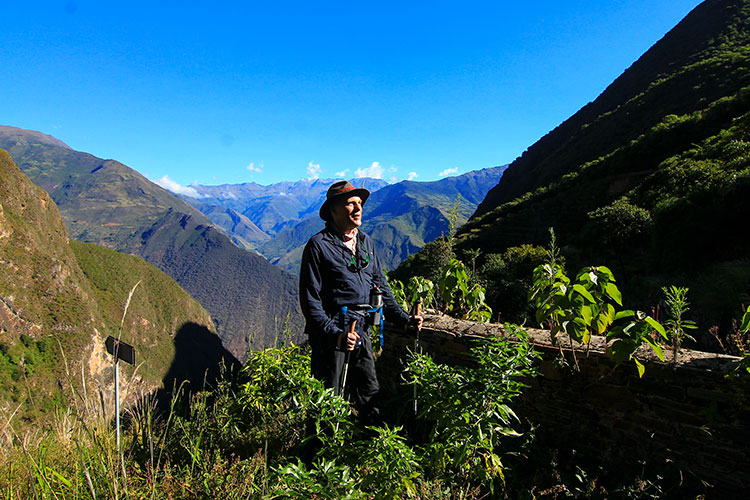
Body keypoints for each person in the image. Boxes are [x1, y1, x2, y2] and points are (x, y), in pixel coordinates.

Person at [299, 180, 422, 422]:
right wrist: (335, 334)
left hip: (361, 329)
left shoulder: (366, 242)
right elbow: (310, 300)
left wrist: (404, 319)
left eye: (360, 203)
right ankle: (316, 453)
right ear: (333, 210)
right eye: (350, 203)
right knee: (326, 400)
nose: (358, 209)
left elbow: (381, 286)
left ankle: (368, 449)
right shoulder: (319, 246)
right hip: (332, 335)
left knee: (369, 394)